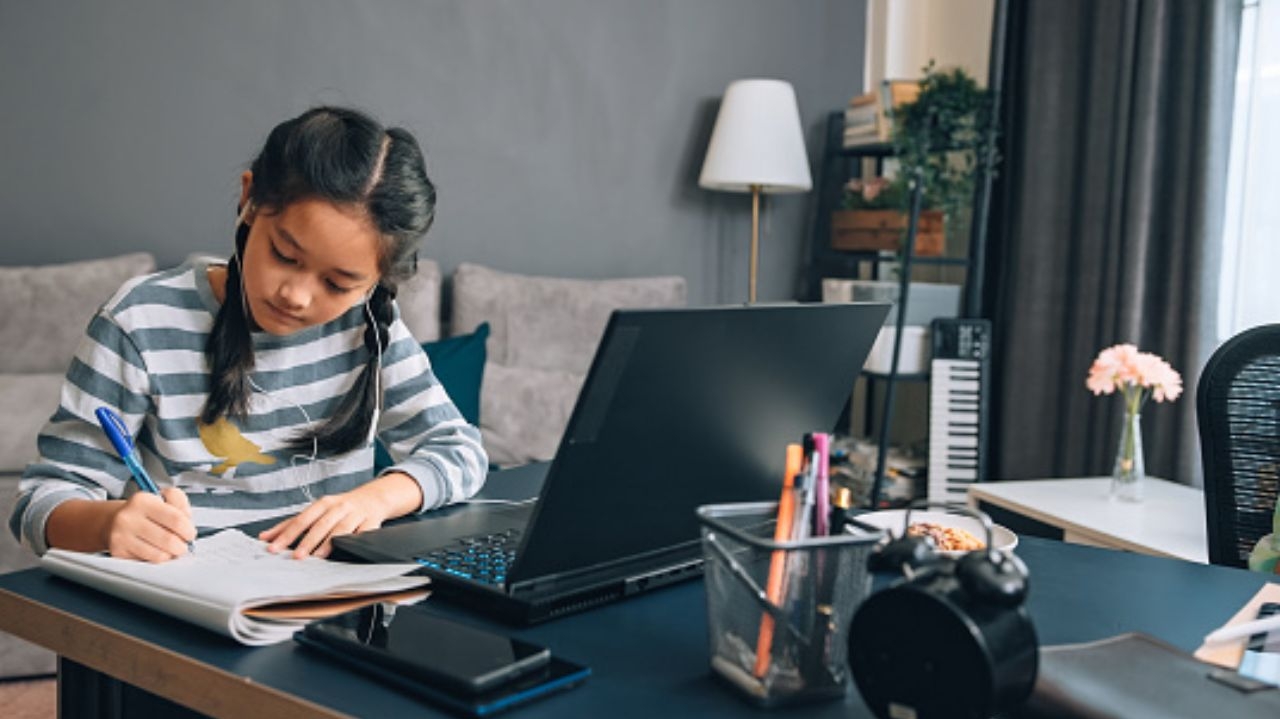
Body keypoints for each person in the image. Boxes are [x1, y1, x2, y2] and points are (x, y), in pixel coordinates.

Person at [9, 106, 488, 562]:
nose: (296, 295)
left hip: (332, 612)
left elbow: (459, 450)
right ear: (250, 200)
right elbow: (40, 503)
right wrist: (107, 524)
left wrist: (376, 500)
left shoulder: (368, 331)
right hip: (184, 618)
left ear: (378, 281)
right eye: (285, 254)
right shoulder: (141, 321)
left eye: (338, 284)